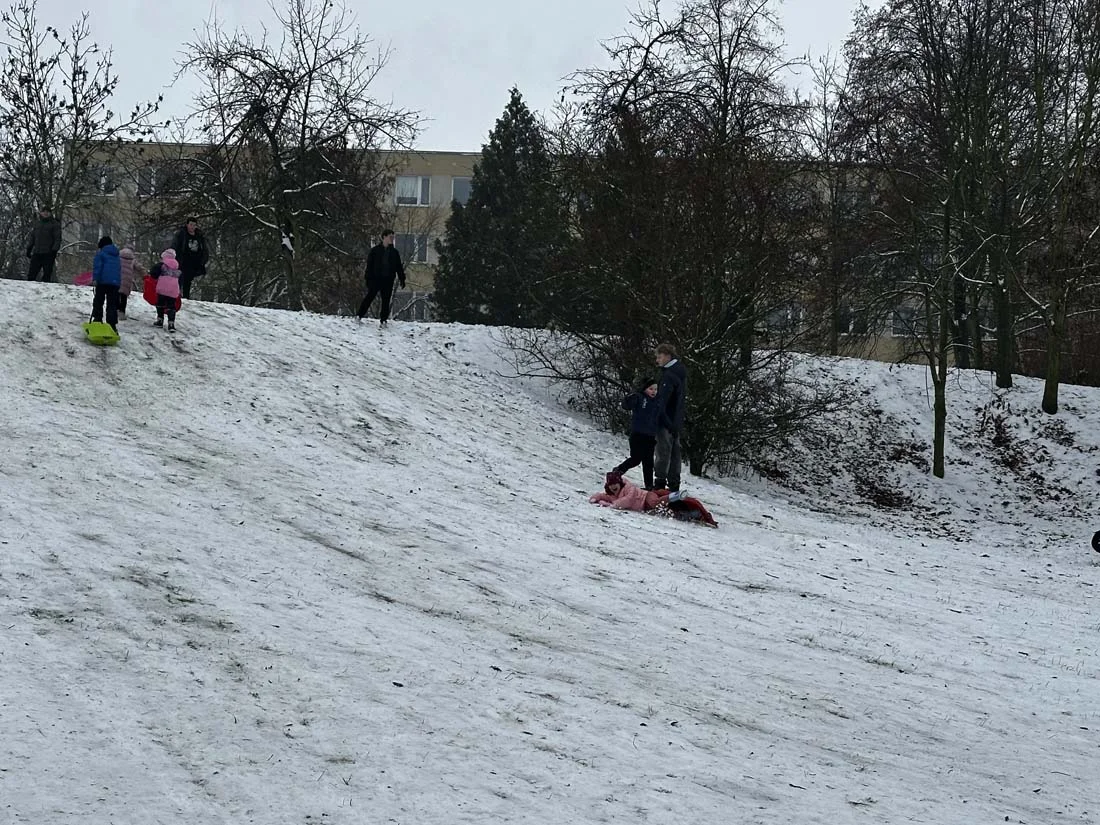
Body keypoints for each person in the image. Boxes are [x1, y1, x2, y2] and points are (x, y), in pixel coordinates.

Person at [613, 378, 662, 490]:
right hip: (638, 434)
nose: (654, 391)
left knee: (648, 462)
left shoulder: (658, 402)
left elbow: (661, 416)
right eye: (651, 389)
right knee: (636, 459)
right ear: (645, 389)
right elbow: (626, 406)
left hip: (650, 436)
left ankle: (649, 485)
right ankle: (618, 471)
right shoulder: (639, 397)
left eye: (655, 389)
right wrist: (629, 398)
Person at [653, 342, 688, 492]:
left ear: (668, 356)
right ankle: (674, 483)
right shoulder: (681, 371)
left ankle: (660, 483)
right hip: (676, 420)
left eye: (659, 357)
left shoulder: (668, 375)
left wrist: (661, 419)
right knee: (675, 453)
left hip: (666, 420)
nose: (657, 360)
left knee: (663, 451)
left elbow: (662, 401)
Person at [357, 229, 406, 325]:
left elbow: (398, 267)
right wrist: (368, 278)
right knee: (370, 297)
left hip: (388, 279)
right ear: (384, 237)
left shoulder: (394, 252)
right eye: (390, 237)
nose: (392, 239)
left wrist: (402, 279)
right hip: (376, 279)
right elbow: (369, 266)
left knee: (386, 300)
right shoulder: (375, 251)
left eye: (393, 237)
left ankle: (383, 320)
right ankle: (359, 315)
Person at [588, 470, 669, 512]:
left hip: (646, 496)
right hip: (644, 506)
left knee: (655, 503)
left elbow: (629, 500)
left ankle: (673, 496)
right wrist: (594, 498)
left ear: (620, 483)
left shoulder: (629, 488)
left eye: (615, 483)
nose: (613, 486)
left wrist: (614, 505)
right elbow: (601, 495)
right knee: (659, 508)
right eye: (610, 485)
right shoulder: (611, 495)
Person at [171, 217, 209, 299]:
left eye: (194, 225)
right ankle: (175, 296)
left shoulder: (199, 235)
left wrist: (203, 260)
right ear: (187, 225)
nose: (192, 227)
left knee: (188, 280)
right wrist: (173, 256)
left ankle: (186, 297)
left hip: (194, 262)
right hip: (183, 260)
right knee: (180, 278)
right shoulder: (182, 234)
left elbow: (204, 248)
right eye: (191, 225)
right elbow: (175, 245)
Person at [89, 236, 122, 331]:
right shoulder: (117, 256)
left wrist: (95, 279)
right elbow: (119, 269)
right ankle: (112, 324)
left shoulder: (100, 254)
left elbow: (98, 267)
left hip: (102, 281)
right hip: (114, 283)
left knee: (99, 301)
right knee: (112, 304)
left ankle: (97, 319)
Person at [25, 206, 62, 282]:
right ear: (41, 213)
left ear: (50, 213)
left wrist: (54, 251)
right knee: (31, 275)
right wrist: (29, 248)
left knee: (47, 275)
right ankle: (30, 288)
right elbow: (33, 237)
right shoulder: (38, 224)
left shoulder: (54, 224)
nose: (45, 213)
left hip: (48, 253)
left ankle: (45, 288)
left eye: (47, 212)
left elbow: (57, 239)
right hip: (37, 252)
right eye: (43, 211)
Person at [152, 249, 181, 332]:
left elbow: (153, 273)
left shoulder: (161, 265)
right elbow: (181, 277)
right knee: (171, 306)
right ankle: (171, 324)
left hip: (162, 288)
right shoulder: (177, 265)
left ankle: (160, 320)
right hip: (173, 289)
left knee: (160, 304)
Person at [117, 246, 145, 321]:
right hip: (127, 280)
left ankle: (116, 309)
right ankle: (122, 312)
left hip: (117, 279)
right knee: (124, 297)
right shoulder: (133, 260)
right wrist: (145, 276)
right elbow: (140, 268)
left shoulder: (118, 258)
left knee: (116, 295)